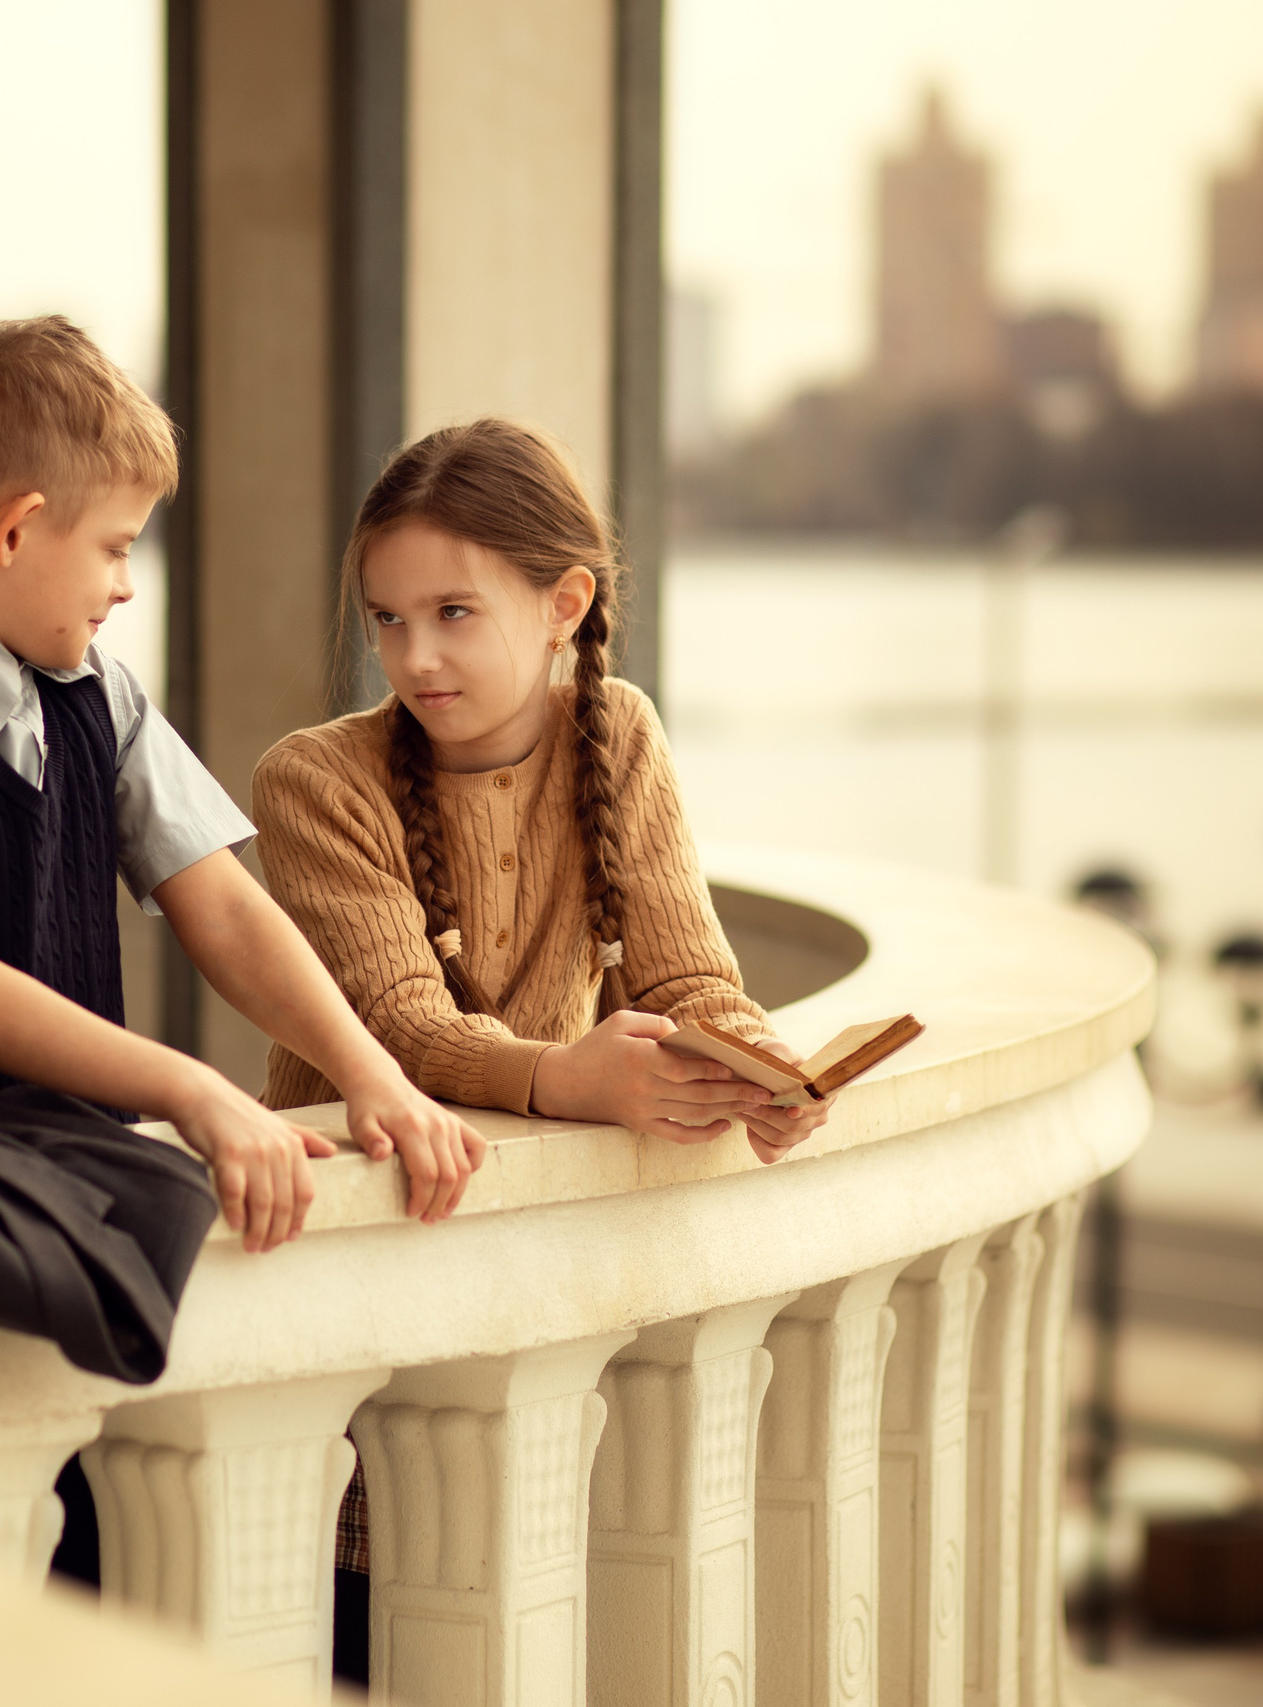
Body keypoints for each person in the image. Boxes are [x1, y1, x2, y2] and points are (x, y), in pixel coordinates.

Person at [248, 417, 833, 1681]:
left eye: (454, 613)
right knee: (338, 1618)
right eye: (388, 618)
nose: (414, 653)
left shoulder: (616, 737)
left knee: (501, 1624)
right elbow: (393, 1025)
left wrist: (763, 1075)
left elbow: (686, 976)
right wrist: (563, 1078)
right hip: (345, 1260)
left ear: (564, 601)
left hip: (518, 1268)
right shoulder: (314, 780)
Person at [0, 316, 486, 1257]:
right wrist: (193, 1089)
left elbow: (222, 907)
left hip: (73, 1183)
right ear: (17, 529)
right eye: (115, 547)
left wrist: (371, 1074)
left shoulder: (97, 691)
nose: (128, 584)